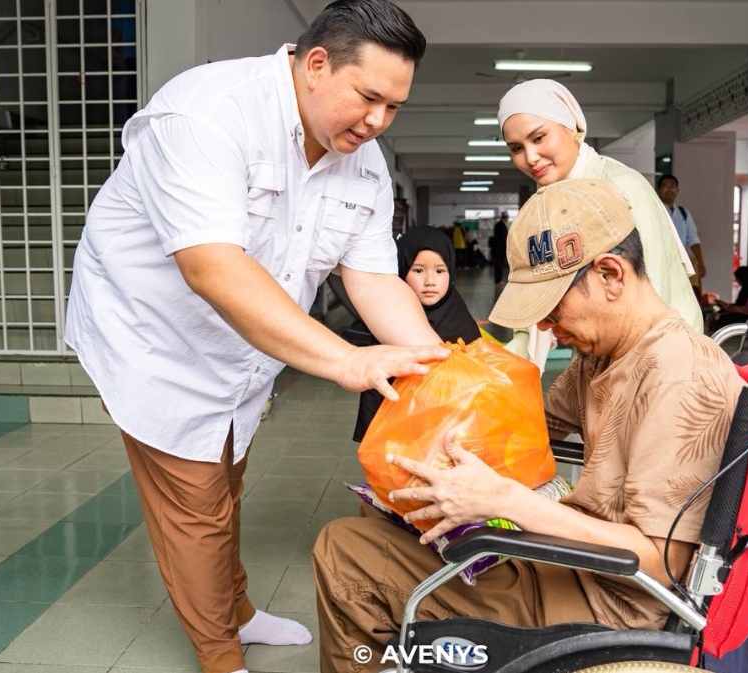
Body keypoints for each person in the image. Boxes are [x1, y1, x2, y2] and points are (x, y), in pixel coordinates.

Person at [63, 3, 448, 673]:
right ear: (317, 64)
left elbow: (374, 278)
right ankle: (220, 655)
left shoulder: (362, 162)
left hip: (242, 347)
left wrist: (439, 368)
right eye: (369, 97)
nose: (379, 120)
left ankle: (236, 607)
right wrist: (345, 359)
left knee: (226, 475)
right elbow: (211, 266)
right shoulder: (207, 114)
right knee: (194, 500)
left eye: (395, 107)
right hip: (155, 340)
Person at [312, 179, 746, 672]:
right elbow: (526, 420)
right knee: (377, 519)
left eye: (552, 305)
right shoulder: (609, 352)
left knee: (344, 554)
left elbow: (657, 563)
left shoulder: (679, 378)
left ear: (610, 274)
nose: (544, 325)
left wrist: (500, 500)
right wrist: (443, 419)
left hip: (600, 603)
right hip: (571, 564)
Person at [498, 79, 702, 332]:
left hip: (661, 344)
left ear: (571, 126)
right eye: (516, 148)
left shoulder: (622, 187)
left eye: (539, 137)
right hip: (601, 344)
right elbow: (541, 281)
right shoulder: (549, 201)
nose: (530, 157)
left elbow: (655, 289)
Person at [346, 225, 481, 442]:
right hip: (399, 433)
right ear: (401, 270)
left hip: (450, 433)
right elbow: (377, 391)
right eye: (418, 270)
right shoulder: (388, 318)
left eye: (440, 270)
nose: (430, 281)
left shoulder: (462, 323)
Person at [656, 174, 707, 289]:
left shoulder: (683, 213)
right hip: (660, 263)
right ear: (658, 190)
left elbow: (693, 239)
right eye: (665, 186)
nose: (669, 190)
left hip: (680, 263)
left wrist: (700, 262)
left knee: (684, 293)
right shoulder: (655, 210)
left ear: (677, 190)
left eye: (672, 187)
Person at [491, 211, 510, 285]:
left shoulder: (498, 225)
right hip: (499, 249)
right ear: (505, 217)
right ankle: (499, 280)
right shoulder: (502, 226)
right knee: (499, 264)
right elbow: (503, 238)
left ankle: (498, 280)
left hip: (497, 248)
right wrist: (506, 247)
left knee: (498, 264)